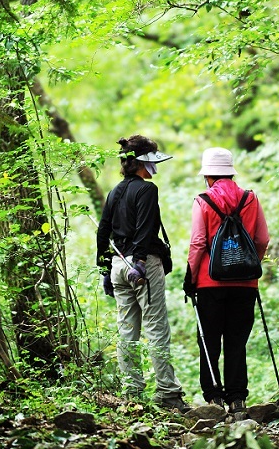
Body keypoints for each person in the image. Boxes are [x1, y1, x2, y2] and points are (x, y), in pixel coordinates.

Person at [96, 134, 190, 413]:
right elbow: (146, 229)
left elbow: (103, 230)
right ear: (142, 163)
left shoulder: (115, 191)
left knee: (127, 331)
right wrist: (138, 261)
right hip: (142, 266)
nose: (155, 168)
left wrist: (105, 268)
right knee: (156, 328)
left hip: (117, 266)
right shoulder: (147, 190)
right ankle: (167, 394)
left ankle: (132, 393)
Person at [183, 147, 269, 415]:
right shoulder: (250, 199)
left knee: (208, 341)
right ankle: (237, 398)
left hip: (210, 284)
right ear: (231, 172)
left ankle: (213, 398)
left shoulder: (203, 201)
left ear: (207, 175)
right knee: (236, 340)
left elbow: (198, 242)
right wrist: (250, 264)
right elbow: (262, 239)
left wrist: (191, 276)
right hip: (245, 285)